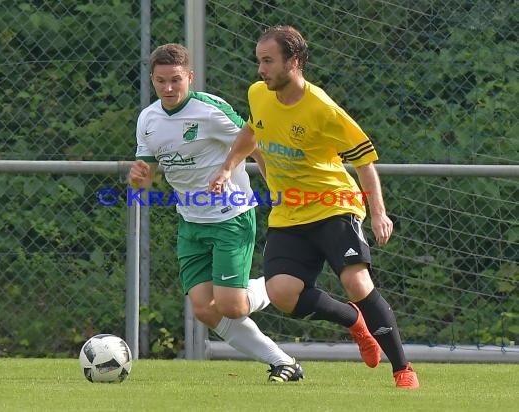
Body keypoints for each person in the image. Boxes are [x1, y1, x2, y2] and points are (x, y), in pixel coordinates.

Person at [209, 26, 419, 389]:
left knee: (355, 280)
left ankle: (402, 369)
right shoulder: (258, 94)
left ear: (294, 61)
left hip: (333, 204)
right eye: (259, 60)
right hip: (289, 211)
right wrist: (228, 166)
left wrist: (380, 212)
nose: (261, 69)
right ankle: (355, 322)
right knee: (281, 294)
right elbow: (251, 131)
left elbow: (364, 161)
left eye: (268, 61)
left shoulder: (322, 108)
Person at [128, 43, 303, 382]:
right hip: (191, 223)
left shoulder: (209, 110)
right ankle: (283, 362)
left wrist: (275, 189)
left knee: (232, 307)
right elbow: (145, 182)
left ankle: (279, 285)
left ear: (189, 77)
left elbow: (253, 142)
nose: (168, 88)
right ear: (152, 80)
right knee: (204, 309)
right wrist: (138, 180)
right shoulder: (148, 119)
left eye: (176, 80)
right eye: (161, 81)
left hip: (230, 217)